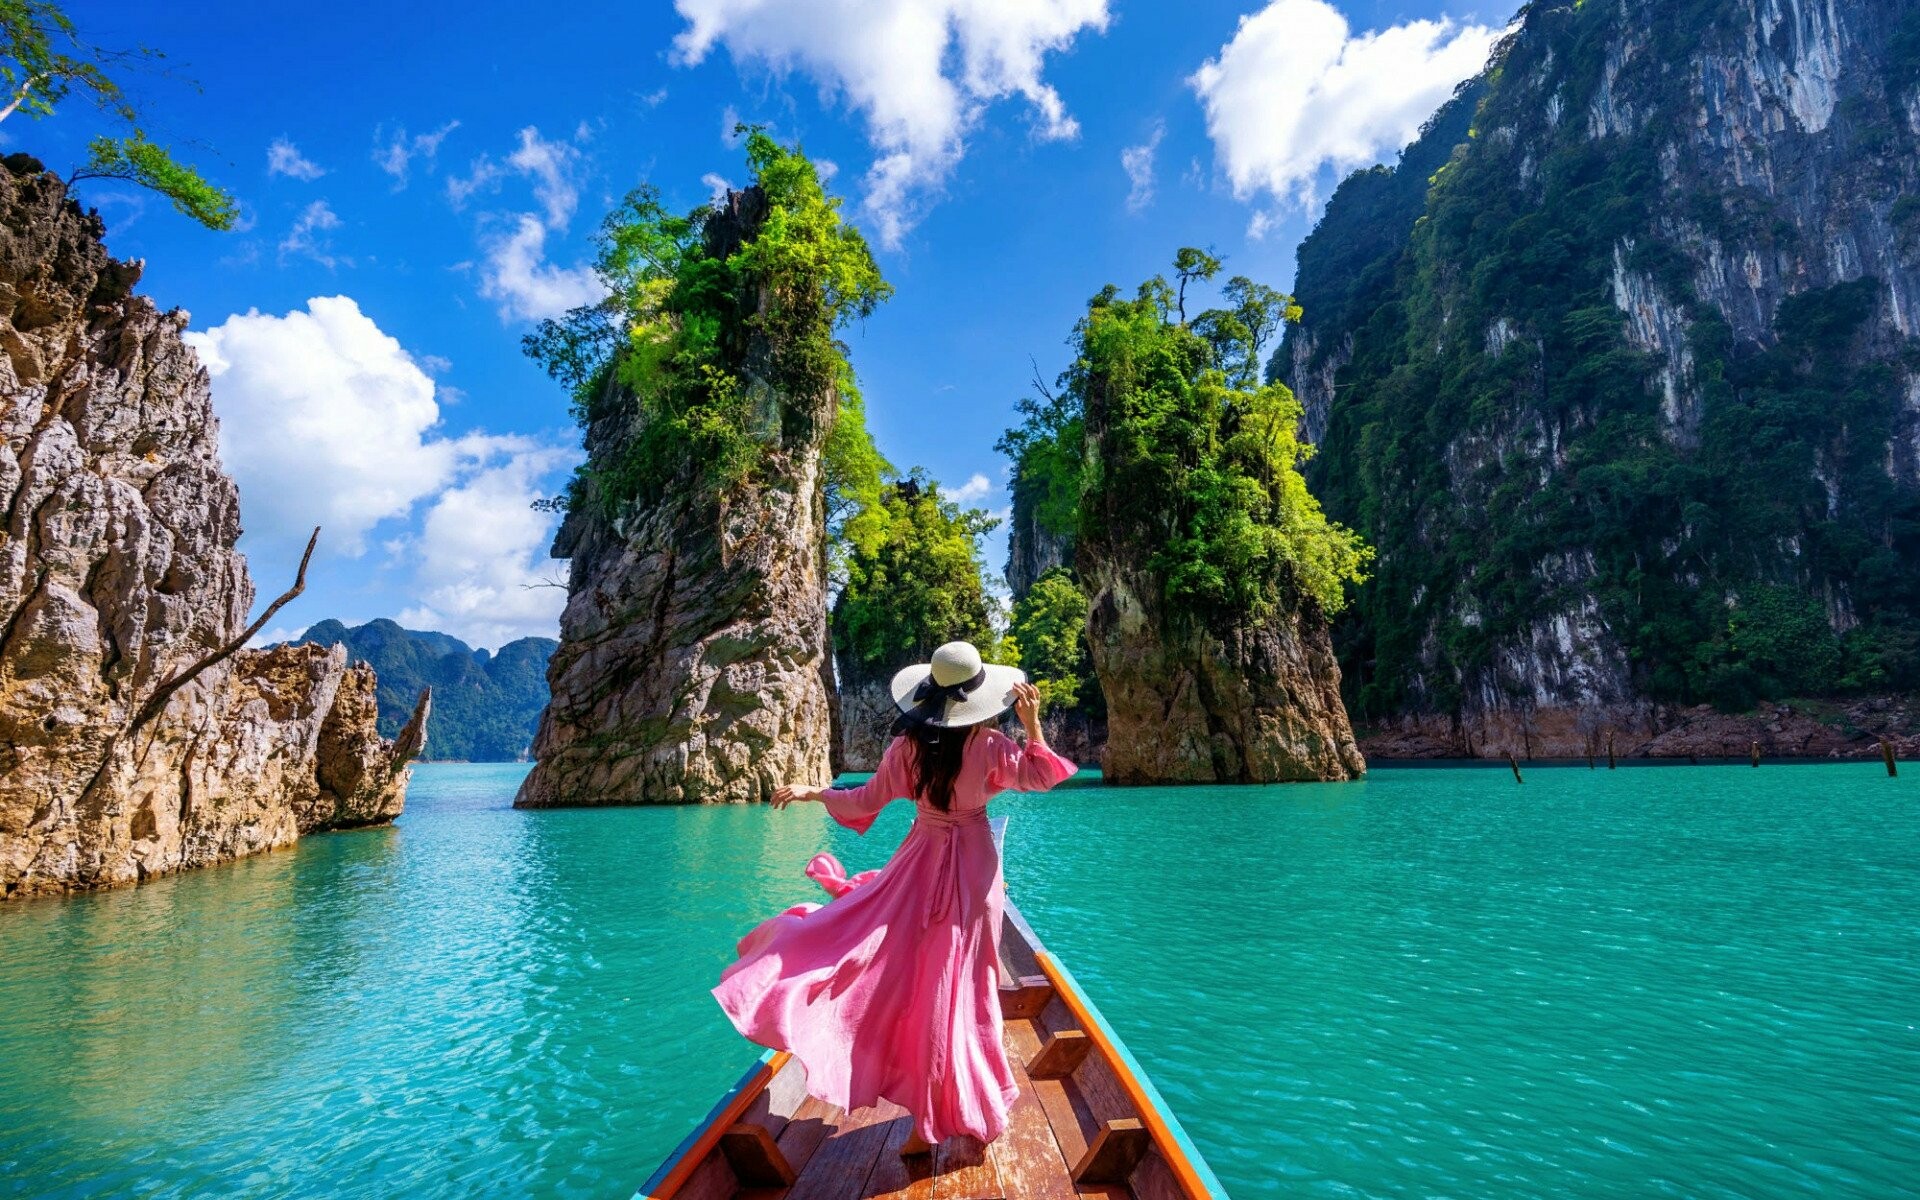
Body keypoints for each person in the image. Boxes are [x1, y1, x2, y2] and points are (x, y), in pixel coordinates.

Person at [711, 640, 1077, 1154]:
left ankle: (919, 1104)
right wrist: (1032, 723)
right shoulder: (992, 746)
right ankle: (953, 1105)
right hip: (973, 870)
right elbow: (1040, 778)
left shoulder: (906, 750)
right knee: (966, 983)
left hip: (919, 862)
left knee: (901, 966)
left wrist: (815, 792)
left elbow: (866, 799)